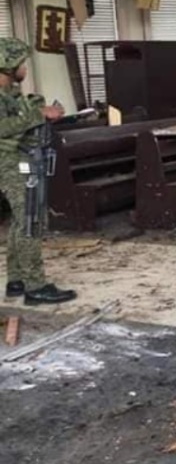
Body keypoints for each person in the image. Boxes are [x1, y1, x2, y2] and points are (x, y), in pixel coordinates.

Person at [0, 38, 76, 305]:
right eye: (21, 63)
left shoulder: (10, 94)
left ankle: (17, 279)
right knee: (30, 220)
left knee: (22, 221)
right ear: (9, 65)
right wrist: (39, 114)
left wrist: (41, 110)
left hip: (20, 159)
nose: (24, 68)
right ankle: (36, 286)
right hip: (7, 163)